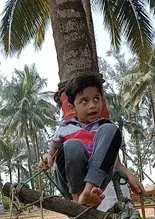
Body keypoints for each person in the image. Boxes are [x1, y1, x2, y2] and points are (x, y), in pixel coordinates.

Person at [39, 73, 144, 207]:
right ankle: (78, 197)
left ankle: (87, 194)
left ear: (102, 100)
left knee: (111, 129)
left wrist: (130, 176)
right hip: (69, 182)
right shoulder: (64, 128)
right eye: (84, 101)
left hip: (97, 183)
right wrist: (46, 158)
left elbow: (116, 162)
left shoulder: (105, 127)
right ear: (72, 108)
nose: (92, 105)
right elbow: (51, 155)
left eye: (96, 99)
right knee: (72, 145)